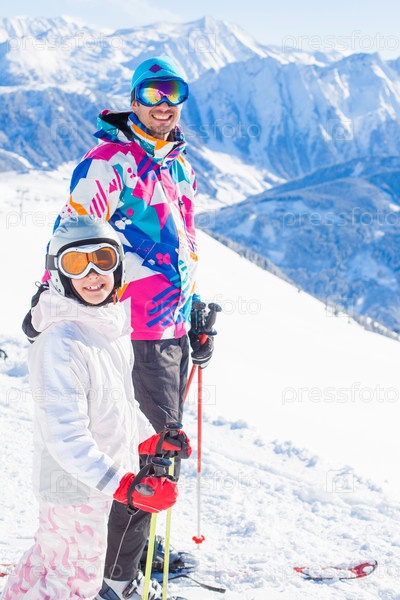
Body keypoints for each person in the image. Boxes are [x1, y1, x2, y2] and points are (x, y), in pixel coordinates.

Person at [22, 56, 215, 599]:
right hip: (132, 332)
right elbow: (73, 235)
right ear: (133, 101)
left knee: (160, 450)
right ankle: (115, 578)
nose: (164, 104)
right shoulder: (110, 163)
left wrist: (191, 311)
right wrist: (48, 298)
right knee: (145, 458)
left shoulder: (179, 166)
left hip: (168, 328)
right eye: (152, 94)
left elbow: (182, 244)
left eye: (173, 92)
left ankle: (137, 550)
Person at [5, 216, 191, 600]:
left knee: (51, 562)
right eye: (77, 263)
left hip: (90, 481)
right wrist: (125, 486)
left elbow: (118, 404)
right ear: (60, 274)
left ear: (118, 267)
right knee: (73, 582)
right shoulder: (63, 342)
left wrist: (149, 440)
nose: (92, 274)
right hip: (73, 486)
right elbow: (66, 438)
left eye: (103, 259)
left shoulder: (102, 327)